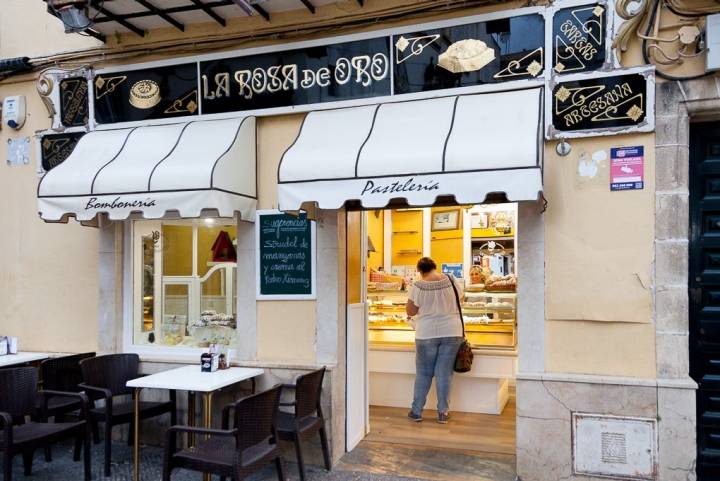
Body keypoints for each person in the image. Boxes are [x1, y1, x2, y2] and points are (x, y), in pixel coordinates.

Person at [405, 257, 464, 424]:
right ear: (435, 267)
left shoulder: (417, 285)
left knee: (424, 373)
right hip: (452, 331)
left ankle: (416, 412)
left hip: (426, 333)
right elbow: (461, 298)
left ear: (419, 270)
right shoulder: (451, 279)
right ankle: (443, 413)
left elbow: (411, 310)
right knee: (444, 374)